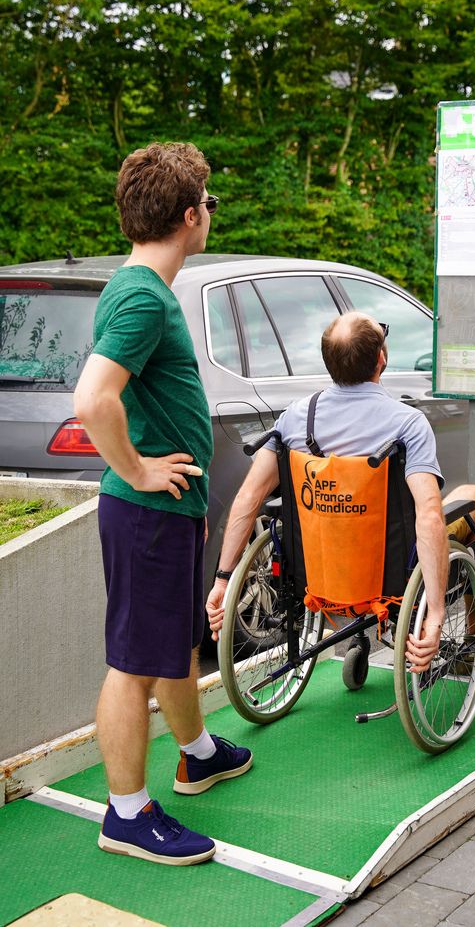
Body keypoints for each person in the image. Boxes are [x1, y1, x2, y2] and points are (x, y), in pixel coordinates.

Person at [74, 142, 252, 867]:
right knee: (133, 663)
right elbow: (93, 399)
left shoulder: (139, 283)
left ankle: (198, 753)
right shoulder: (144, 296)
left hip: (171, 511)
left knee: (175, 642)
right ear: (188, 214)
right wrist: (142, 472)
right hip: (147, 512)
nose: (211, 211)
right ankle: (125, 814)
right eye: (207, 201)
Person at [206, 311, 475, 671]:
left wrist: (223, 579)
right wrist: (435, 613)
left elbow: (249, 499)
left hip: (318, 564)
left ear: (329, 363)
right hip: (390, 571)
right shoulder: (407, 424)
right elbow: (429, 515)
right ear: (382, 359)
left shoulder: (295, 419)